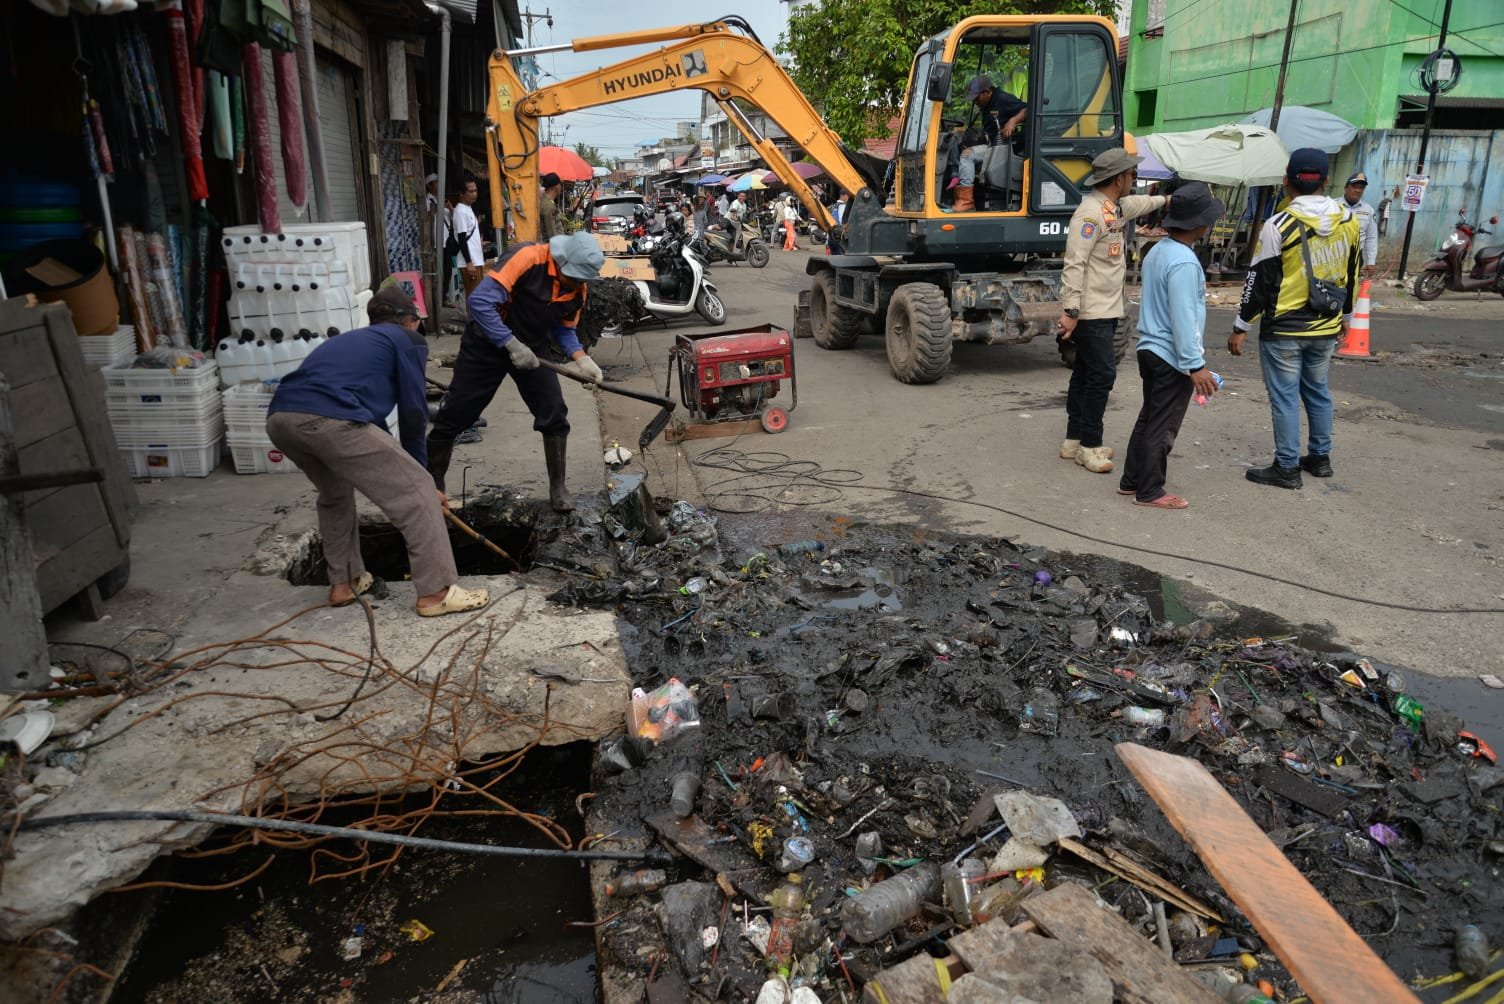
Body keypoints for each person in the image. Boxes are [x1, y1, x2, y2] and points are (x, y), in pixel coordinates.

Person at [265, 288, 490, 618]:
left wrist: (399, 462)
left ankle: (345, 582)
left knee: (335, 494)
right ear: (410, 321)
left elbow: (373, 429)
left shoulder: (355, 341)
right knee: (416, 494)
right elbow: (413, 411)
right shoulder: (407, 340)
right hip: (330, 418)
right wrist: (423, 477)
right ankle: (436, 593)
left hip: (281, 418)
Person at [425, 232, 606, 513]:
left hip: (532, 349)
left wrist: (581, 358)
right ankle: (434, 486)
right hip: (486, 343)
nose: (579, 282)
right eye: (576, 276)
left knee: (554, 413)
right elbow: (480, 302)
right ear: (561, 262)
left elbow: (565, 329)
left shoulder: (577, 289)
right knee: (457, 414)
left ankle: (558, 487)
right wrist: (509, 343)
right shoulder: (528, 258)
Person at [1231, 148, 1360, 489]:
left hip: (1285, 329)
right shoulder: (1349, 221)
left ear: (1287, 181)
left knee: (1286, 396)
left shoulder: (1279, 226)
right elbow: (1353, 271)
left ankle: (1287, 467)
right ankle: (1320, 459)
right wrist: (1347, 315)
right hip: (1327, 324)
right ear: (1327, 181)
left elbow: (1259, 280)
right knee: (1317, 391)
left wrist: (1241, 326)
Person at [1057, 148, 1170, 474]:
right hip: (1091, 312)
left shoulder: (1113, 208)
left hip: (1106, 309)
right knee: (1102, 375)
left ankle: (1073, 440)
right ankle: (1089, 446)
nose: (1133, 180)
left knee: (1085, 373)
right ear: (1119, 178)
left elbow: (1138, 205)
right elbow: (1074, 264)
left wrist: (1166, 201)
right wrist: (1071, 310)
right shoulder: (1090, 215)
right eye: (1131, 175)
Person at [1119, 182, 1225, 510]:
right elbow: (1183, 318)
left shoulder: (1158, 251)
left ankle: (1132, 480)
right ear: (1199, 225)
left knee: (1150, 415)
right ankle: (1150, 490)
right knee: (1162, 424)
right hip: (1171, 354)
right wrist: (1195, 365)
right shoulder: (1183, 262)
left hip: (1150, 348)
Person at [954, 76, 1028, 211]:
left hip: (1003, 147)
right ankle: (956, 190)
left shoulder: (1002, 99)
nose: (975, 102)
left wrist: (1013, 121)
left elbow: (1027, 109)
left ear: (987, 92)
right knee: (958, 148)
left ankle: (965, 202)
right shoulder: (986, 104)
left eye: (977, 98)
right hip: (991, 144)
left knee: (967, 155)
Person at [451, 175, 485, 306]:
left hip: (476, 260)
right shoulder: (460, 212)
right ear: (461, 194)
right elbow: (461, 239)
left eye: (475, 190)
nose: (474, 194)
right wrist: (469, 262)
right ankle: (472, 325)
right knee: (474, 299)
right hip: (469, 263)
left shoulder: (468, 209)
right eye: (471, 191)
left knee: (477, 297)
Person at [1342, 171, 1379, 278]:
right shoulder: (1333, 206)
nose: (1358, 190)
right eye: (1354, 186)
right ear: (1346, 187)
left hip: (1356, 257)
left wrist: (1371, 261)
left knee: (1351, 287)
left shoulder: (1368, 210)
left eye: (1361, 187)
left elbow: (1371, 237)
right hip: (1335, 255)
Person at [538, 172, 563, 240]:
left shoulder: (546, 202)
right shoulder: (548, 206)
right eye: (560, 184)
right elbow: (551, 233)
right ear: (557, 187)